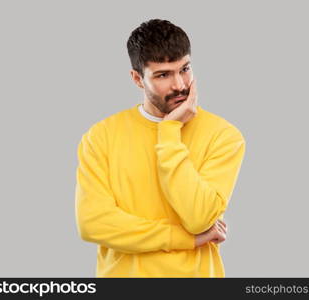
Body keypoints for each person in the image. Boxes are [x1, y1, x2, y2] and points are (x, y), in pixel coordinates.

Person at [75, 19, 246, 277]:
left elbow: (198, 218)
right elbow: (93, 224)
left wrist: (168, 131)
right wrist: (183, 238)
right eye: (163, 75)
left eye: (185, 69)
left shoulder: (223, 136)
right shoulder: (101, 136)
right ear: (137, 79)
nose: (179, 84)